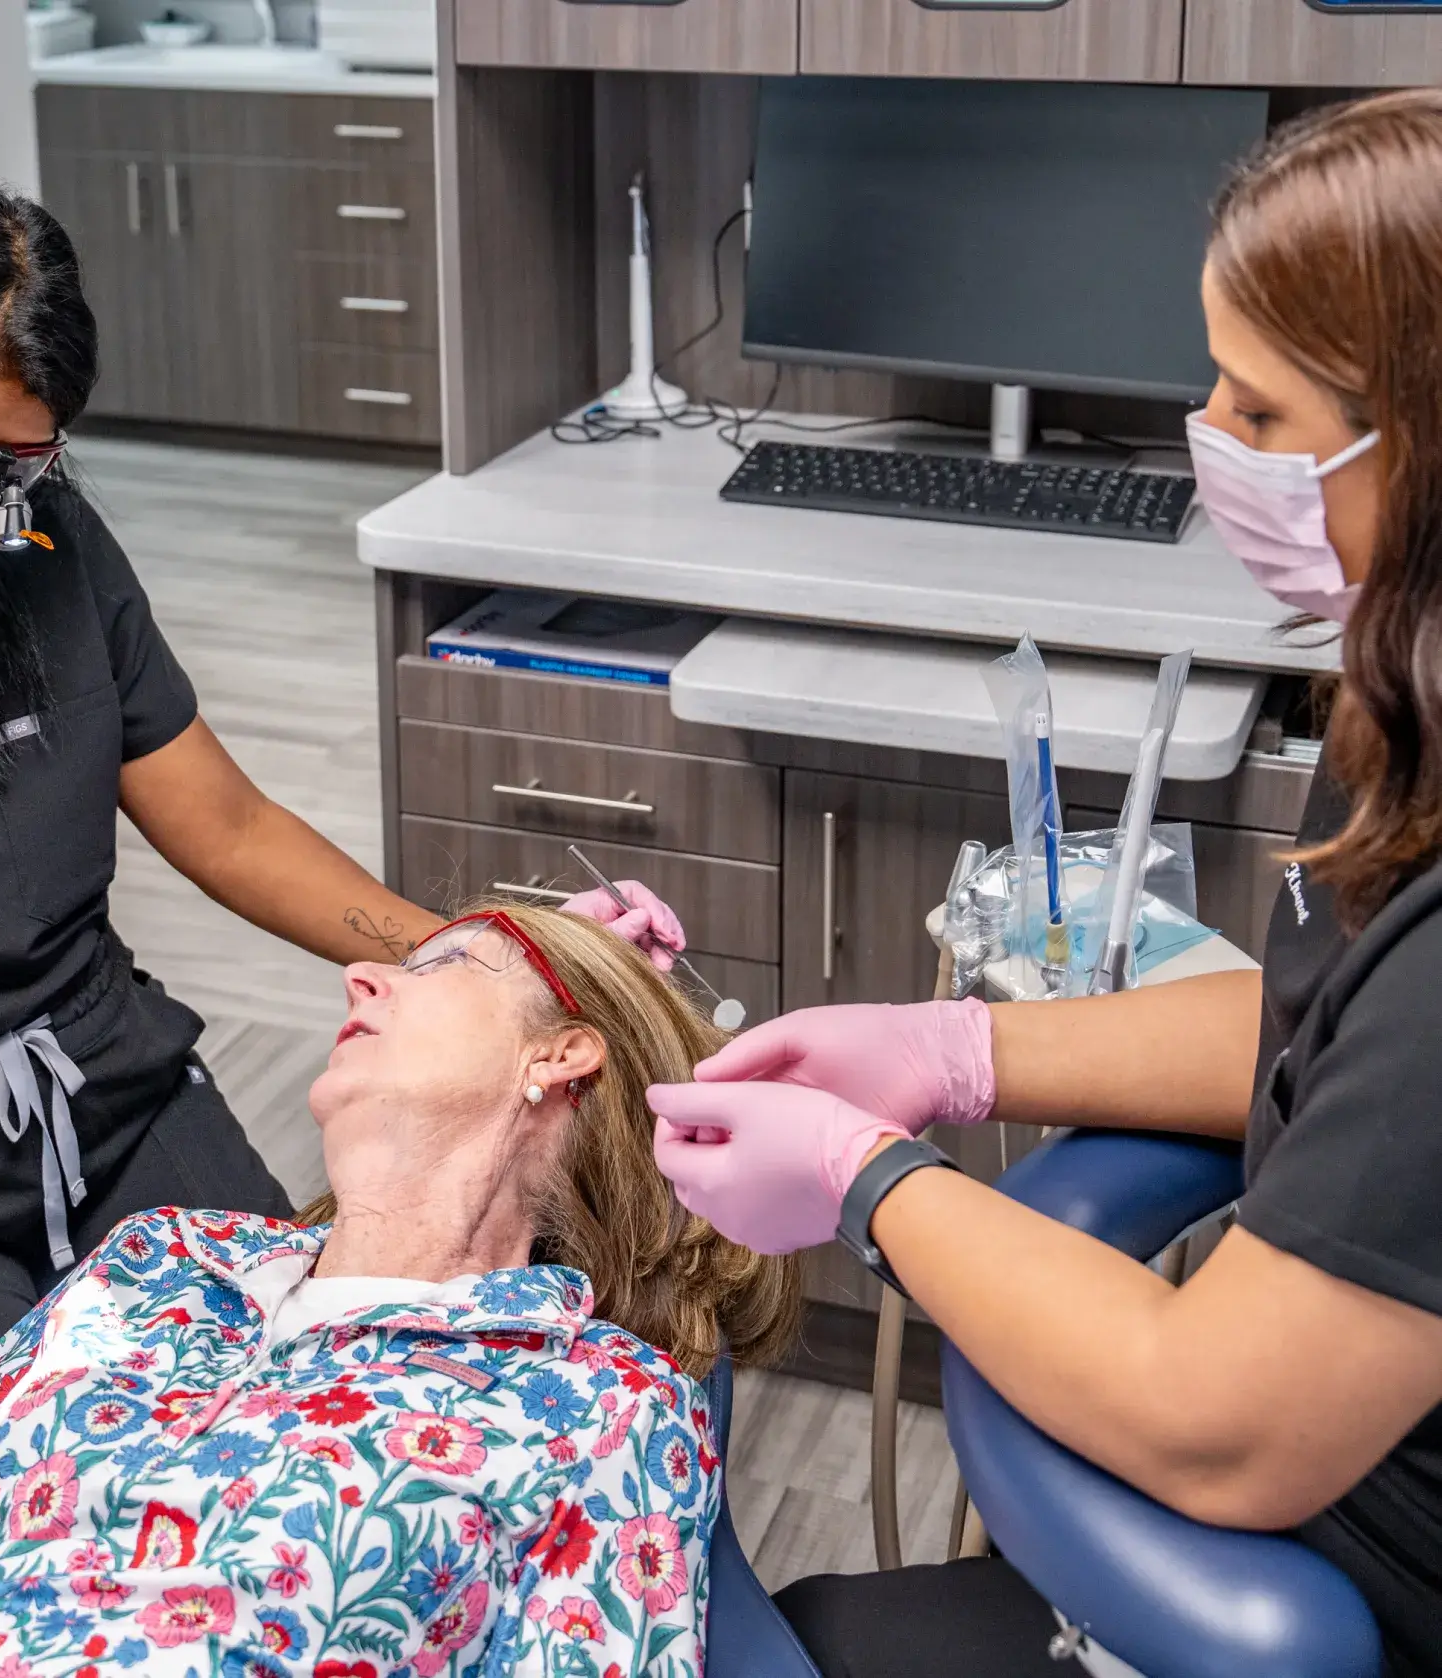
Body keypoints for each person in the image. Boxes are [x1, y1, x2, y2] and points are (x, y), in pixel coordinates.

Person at [648, 91, 1442, 1678]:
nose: (1205, 438)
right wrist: (956, 1057)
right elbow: (1322, 1043)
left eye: (1263, 412)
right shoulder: (1408, 692)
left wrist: (870, 1185)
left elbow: (1219, 1429)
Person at [0, 184, 681, 1477]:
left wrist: (477, 948)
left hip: (102, 1094)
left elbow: (230, 824)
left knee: (300, 1432)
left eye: (14, 466)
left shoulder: (27, 542)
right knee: (29, 1495)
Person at [0, 900, 791, 1678]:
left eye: (437, 964)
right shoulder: (164, 1259)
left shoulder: (600, 1402)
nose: (358, 975)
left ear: (559, 1055)